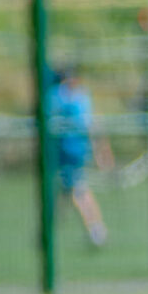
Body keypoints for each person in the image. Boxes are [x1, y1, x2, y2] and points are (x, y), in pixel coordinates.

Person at [48, 67, 113, 246]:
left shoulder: (60, 97)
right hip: (71, 152)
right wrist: (102, 152)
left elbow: (92, 125)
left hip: (71, 152)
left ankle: (96, 230)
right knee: (65, 192)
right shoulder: (79, 96)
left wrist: (103, 152)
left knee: (78, 191)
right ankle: (47, 230)